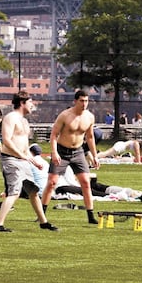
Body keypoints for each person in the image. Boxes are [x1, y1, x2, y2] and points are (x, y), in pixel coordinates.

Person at [0, 91, 58, 232]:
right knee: (14, 192)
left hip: (23, 160)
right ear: (22, 103)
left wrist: (34, 161)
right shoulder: (10, 118)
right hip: (11, 160)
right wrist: (22, 155)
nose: (32, 105)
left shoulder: (25, 121)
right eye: (30, 102)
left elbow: (24, 146)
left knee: (33, 191)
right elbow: (7, 141)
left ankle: (43, 222)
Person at [41, 89, 100, 225]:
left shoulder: (89, 117)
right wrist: (54, 153)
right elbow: (54, 135)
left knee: (85, 182)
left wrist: (95, 156)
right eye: (81, 101)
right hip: (62, 151)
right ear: (75, 101)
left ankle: (90, 216)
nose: (84, 104)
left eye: (86, 101)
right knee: (51, 183)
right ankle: (42, 213)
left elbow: (90, 137)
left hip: (78, 152)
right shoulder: (65, 115)